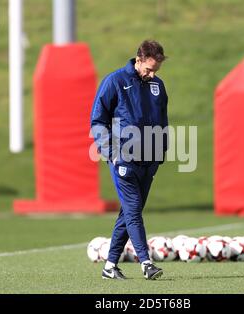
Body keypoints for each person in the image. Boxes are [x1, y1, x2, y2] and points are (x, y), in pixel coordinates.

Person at [90, 40, 169, 280]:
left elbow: (163, 121)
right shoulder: (115, 81)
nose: (152, 73)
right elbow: (98, 120)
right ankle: (146, 263)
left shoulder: (157, 85)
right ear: (139, 60)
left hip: (149, 160)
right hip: (124, 159)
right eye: (149, 68)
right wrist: (111, 153)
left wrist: (161, 152)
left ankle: (110, 266)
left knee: (128, 214)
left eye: (156, 70)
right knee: (134, 211)